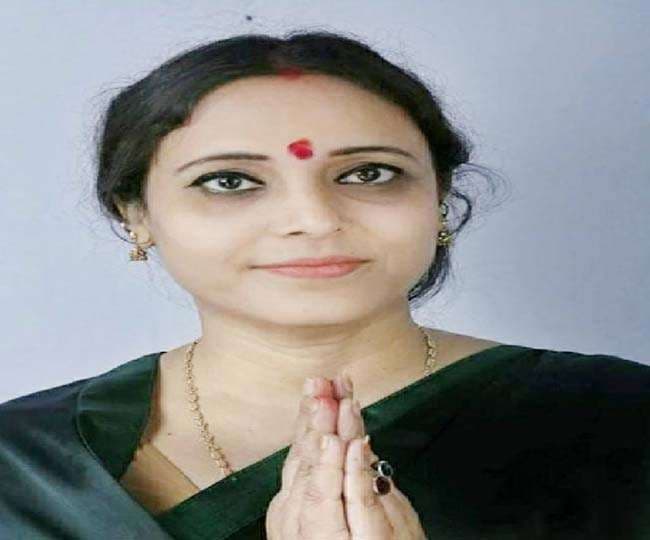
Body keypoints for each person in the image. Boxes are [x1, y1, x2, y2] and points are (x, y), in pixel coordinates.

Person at [1, 30, 649, 540]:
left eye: (368, 174)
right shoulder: (23, 463)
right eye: (230, 181)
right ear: (136, 215)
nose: (313, 219)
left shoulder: (619, 425)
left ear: (440, 198)